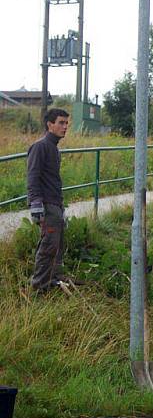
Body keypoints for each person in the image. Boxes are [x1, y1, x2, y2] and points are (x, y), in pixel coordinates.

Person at [27, 108, 72, 291]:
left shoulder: (54, 148)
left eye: (66, 123)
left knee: (56, 247)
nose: (65, 126)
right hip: (46, 205)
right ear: (50, 124)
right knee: (47, 248)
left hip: (55, 205)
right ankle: (39, 289)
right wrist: (36, 204)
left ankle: (51, 282)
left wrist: (60, 208)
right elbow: (32, 176)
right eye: (61, 122)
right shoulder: (40, 146)